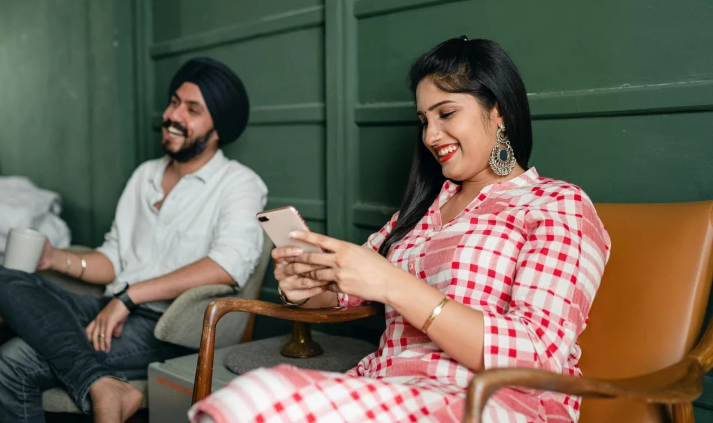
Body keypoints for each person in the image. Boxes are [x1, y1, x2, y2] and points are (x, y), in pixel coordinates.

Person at [187, 37, 610, 423]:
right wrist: (306, 284)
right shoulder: (423, 210)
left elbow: (538, 356)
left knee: (257, 399)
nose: (431, 135)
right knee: (246, 401)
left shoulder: (556, 205)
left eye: (446, 113)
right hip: (392, 388)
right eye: (424, 120)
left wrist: (393, 284)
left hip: (493, 403)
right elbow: (346, 290)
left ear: (497, 109)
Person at [0, 57, 268, 423]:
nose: (173, 115)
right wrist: (56, 260)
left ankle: (102, 383)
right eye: (173, 102)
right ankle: (103, 384)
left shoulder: (240, 183)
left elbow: (227, 266)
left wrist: (129, 296)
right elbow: (114, 259)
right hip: (110, 307)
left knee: (14, 359)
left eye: (192, 109)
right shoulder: (145, 175)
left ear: (219, 129)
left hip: (167, 326)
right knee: (2, 277)